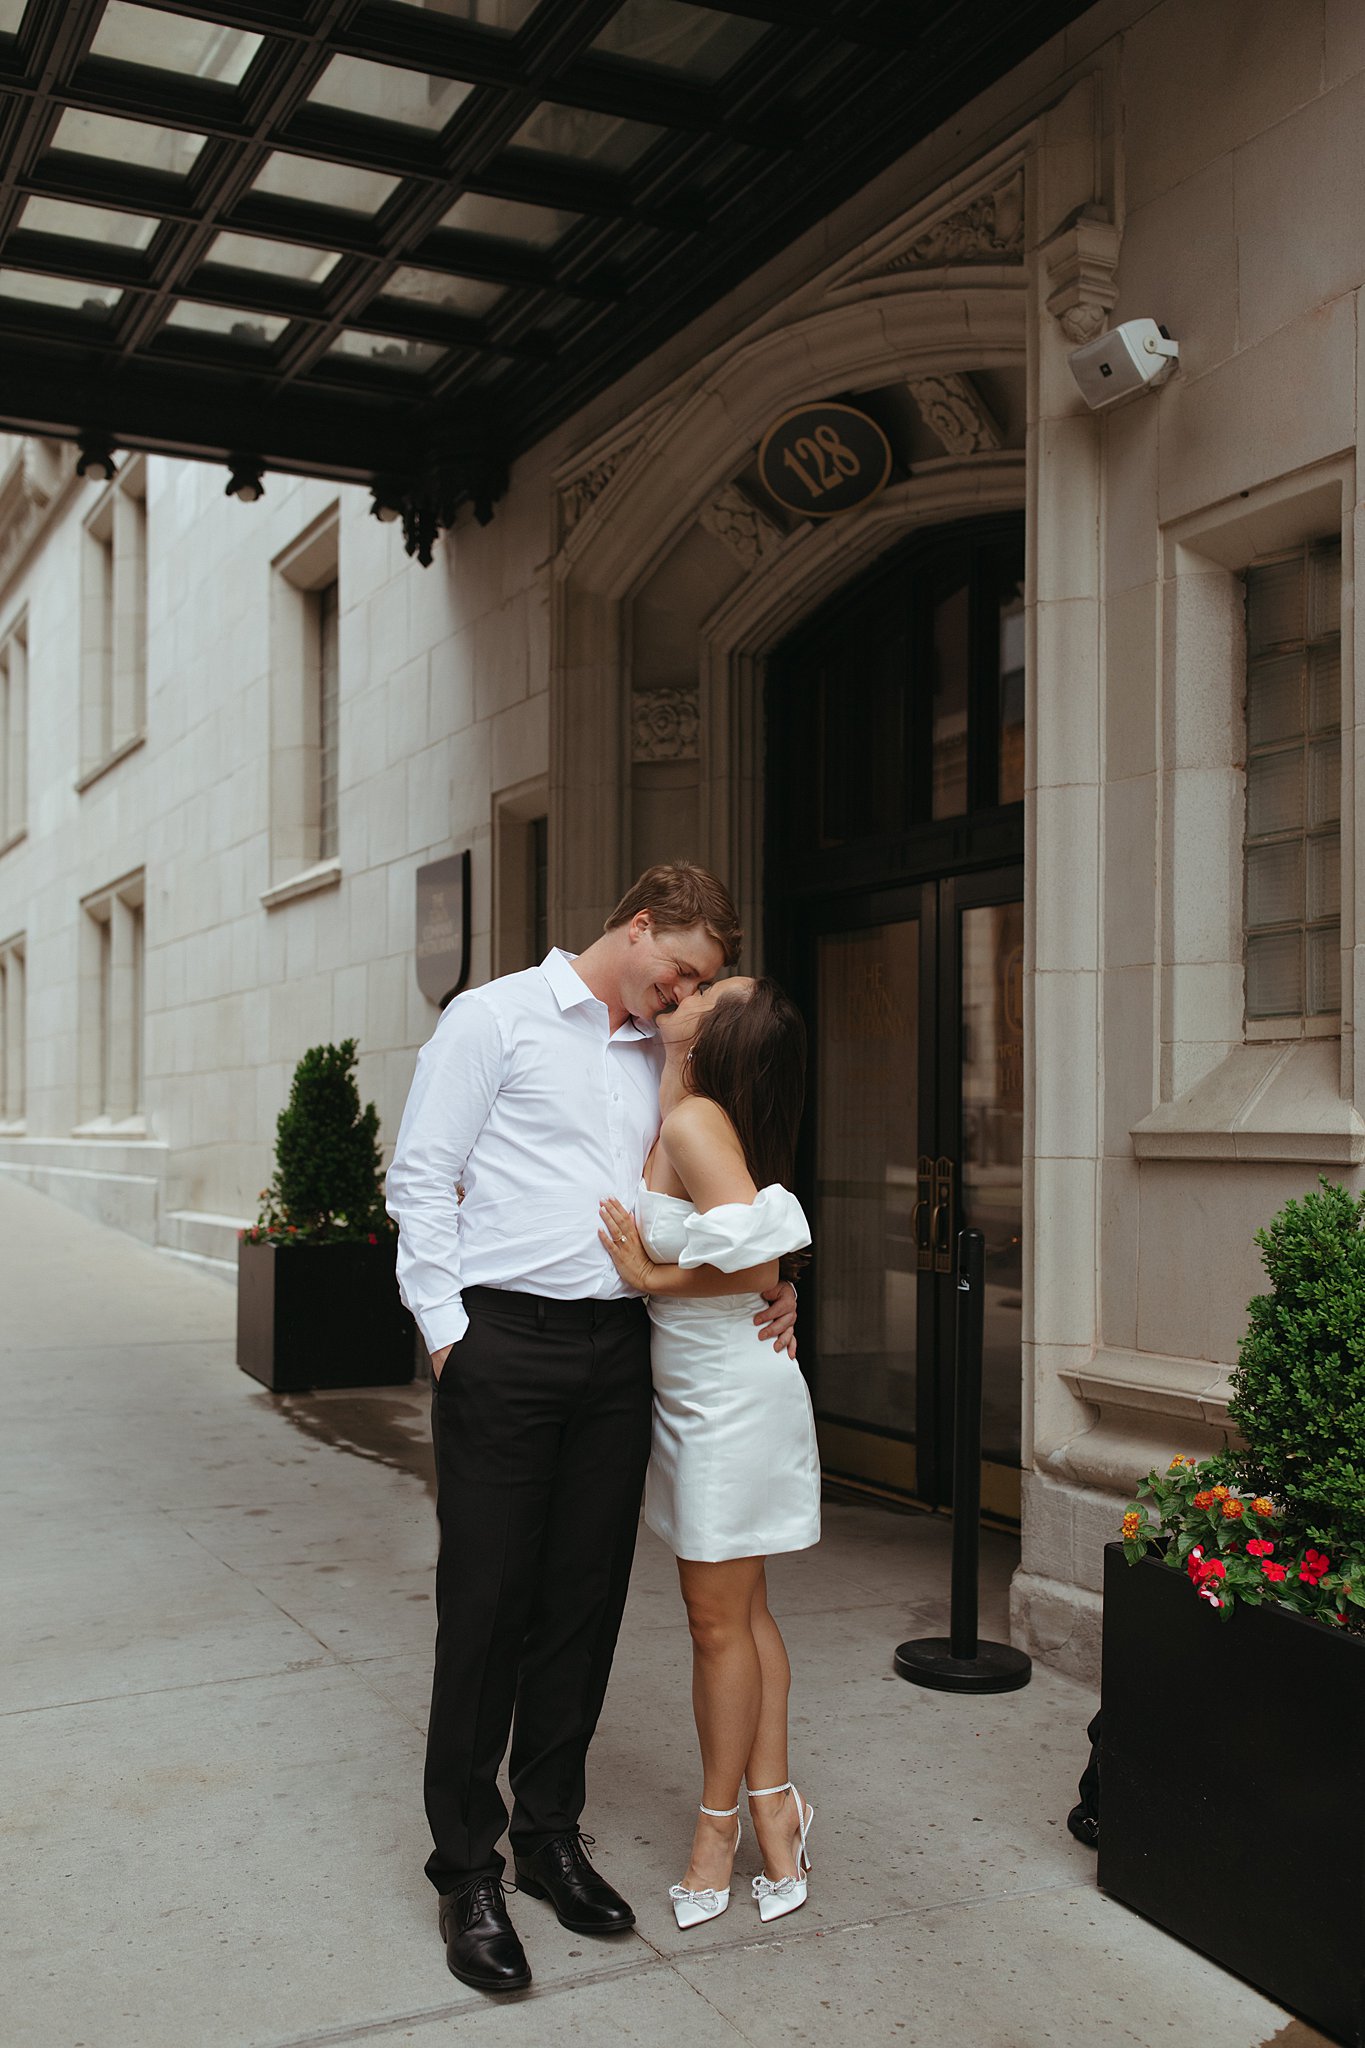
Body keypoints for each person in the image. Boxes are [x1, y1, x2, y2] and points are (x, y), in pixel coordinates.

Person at [384, 863, 797, 1994]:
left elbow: (718, 1194)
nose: (684, 993)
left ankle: (547, 1836)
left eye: (700, 983)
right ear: (637, 924)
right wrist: (448, 1334)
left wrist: (765, 1277)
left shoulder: (662, 1060)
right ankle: (465, 1865)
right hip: (503, 1345)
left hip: (622, 1352)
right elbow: (421, 1177)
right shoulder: (495, 1016)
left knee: (580, 1605)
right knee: (486, 1606)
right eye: (683, 969)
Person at [597, 974, 819, 1929]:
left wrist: (650, 1273)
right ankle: (778, 1810)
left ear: (713, 1034)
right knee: (743, 1611)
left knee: (715, 1624)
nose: (684, 990)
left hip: (728, 1396)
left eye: (707, 991)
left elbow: (761, 1263)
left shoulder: (695, 1122)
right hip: (711, 1388)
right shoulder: (682, 1102)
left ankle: (717, 1828)